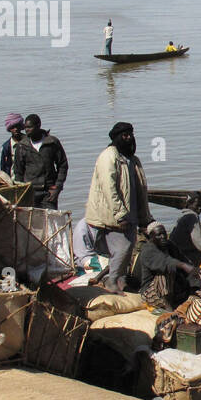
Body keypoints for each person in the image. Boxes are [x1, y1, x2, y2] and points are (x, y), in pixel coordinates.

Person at [85, 121, 155, 292]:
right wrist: (120, 214)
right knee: (122, 250)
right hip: (114, 216)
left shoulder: (131, 159)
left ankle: (120, 281)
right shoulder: (108, 157)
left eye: (131, 134)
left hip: (131, 214)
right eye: (125, 135)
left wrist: (144, 218)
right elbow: (109, 189)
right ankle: (112, 282)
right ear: (117, 138)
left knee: (128, 249)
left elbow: (140, 190)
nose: (129, 138)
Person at [127, 222, 201, 309]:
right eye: (158, 235)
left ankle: (183, 297)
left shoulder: (170, 245)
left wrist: (192, 271)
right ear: (151, 237)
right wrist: (184, 266)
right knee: (166, 271)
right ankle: (168, 307)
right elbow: (165, 262)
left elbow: (183, 259)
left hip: (174, 289)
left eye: (164, 233)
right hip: (153, 293)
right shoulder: (148, 250)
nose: (163, 237)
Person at [12, 113, 69, 209]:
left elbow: (63, 165)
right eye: (25, 127)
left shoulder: (51, 142)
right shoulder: (22, 146)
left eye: (30, 127)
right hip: (30, 192)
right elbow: (18, 172)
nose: (26, 130)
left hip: (49, 192)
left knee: (51, 221)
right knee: (32, 222)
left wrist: (57, 187)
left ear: (38, 126)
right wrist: (21, 193)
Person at [170, 191, 201, 268]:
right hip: (187, 257)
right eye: (197, 205)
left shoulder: (183, 216)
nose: (200, 208)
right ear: (189, 204)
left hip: (178, 254)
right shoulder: (192, 217)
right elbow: (199, 242)